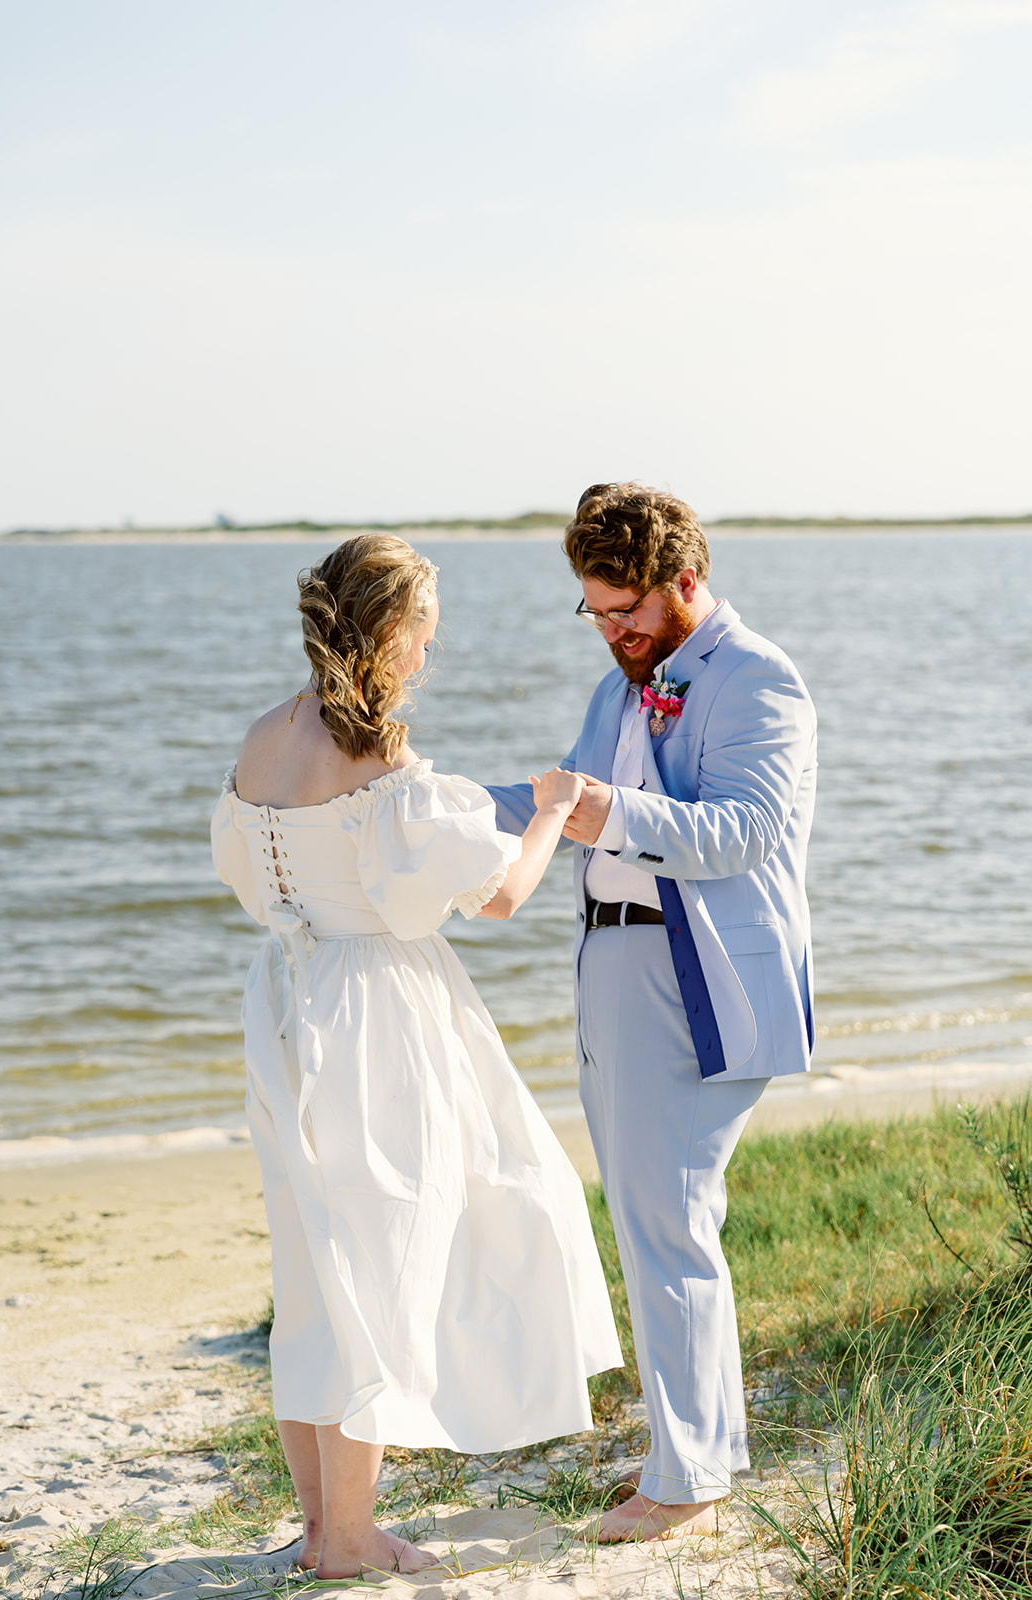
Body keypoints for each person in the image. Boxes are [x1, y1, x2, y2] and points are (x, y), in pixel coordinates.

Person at [211, 534, 622, 1580]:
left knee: (312, 1263)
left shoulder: (263, 739)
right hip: (376, 1015)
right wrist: (545, 816)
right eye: (425, 641)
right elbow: (496, 894)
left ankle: (320, 1524)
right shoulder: (385, 761)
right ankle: (345, 1536)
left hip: (286, 1002)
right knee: (382, 1262)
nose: (427, 661)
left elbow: (257, 883)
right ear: (389, 635)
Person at [488, 483, 816, 1542]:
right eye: (594, 611)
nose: (612, 633)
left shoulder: (757, 677)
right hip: (613, 972)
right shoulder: (621, 680)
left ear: (685, 581)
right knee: (653, 1220)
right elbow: (559, 797)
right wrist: (427, 801)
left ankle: (685, 1480)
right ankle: (695, 1452)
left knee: (669, 1221)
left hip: (696, 980)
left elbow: (742, 831)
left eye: (625, 611)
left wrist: (603, 810)